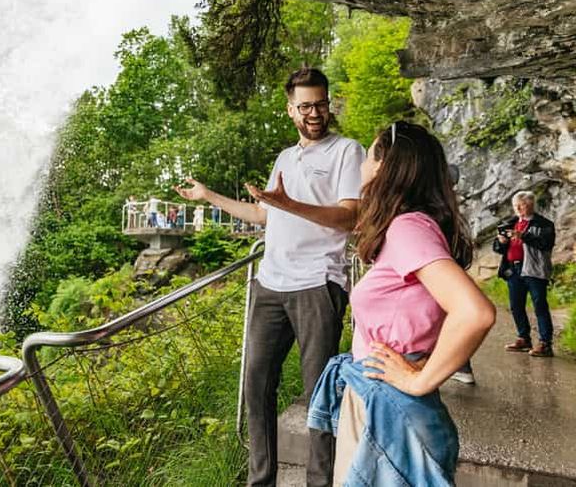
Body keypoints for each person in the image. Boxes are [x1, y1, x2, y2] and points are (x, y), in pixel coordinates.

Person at [176, 67, 365, 486]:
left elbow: (349, 217)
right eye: (305, 106)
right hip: (270, 285)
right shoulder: (285, 157)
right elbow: (264, 215)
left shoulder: (348, 151)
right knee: (256, 387)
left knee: (320, 394)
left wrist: (290, 204)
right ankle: (260, 481)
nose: (314, 113)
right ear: (290, 110)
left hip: (318, 284)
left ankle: (320, 482)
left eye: (320, 103)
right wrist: (209, 196)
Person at [305, 121, 496, 485]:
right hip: (384, 397)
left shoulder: (407, 228)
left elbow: (475, 312)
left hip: (387, 404)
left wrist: (419, 379)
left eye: (368, 154)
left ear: (384, 167)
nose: (360, 164)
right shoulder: (412, 226)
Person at [494, 191, 556, 357]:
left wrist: (524, 236)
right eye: (516, 205)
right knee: (516, 306)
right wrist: (501, 242)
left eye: (522, 205)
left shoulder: (544, 224)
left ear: (531, 205)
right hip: (513, 269)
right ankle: (523, 338)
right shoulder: (510, 223)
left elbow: (546, 244)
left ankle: (545, 343)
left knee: (539, 305)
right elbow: (497, 248)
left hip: (534, 269)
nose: (518, 208)